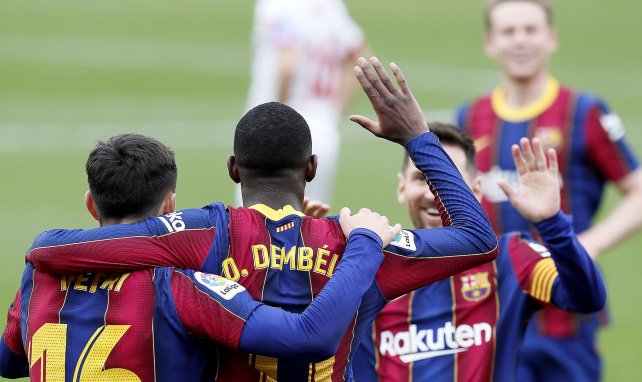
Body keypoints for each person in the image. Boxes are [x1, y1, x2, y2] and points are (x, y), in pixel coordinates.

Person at [23, 58, 499, 381]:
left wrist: (43, 250)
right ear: (312, 169)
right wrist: (416, 136)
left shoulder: (200, 234)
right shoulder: (360, 244)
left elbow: (59, 250)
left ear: (233, 168)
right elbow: (479, 238)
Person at [0, 133, 401, 381]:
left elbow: (11, 361)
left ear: (91, 203)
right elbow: (307, 337)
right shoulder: (181, 288)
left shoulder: (40, 277)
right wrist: (361, 243)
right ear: (171, 207)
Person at [456, 1, 642, 380]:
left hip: (567, 317)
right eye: (509, 32)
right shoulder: (469, 117)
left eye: (530, 29)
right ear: (490, 43)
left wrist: (591, 243)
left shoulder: (583, 112)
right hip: (492, 313)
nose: (520, 40)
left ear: (551, 38)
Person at [351, 123, 606, 381]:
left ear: (474, 191)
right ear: (402, 188)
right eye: (421, 178)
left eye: (447, 179)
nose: (433, 193)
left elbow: (586, 298)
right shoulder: (372, 268)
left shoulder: (511, 258)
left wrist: (552, 224)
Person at [244, 0, 366, 204]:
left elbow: (288, 64)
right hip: (323, 128)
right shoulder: (331, 7)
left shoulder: (277, 6)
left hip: (278, 128)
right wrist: (335, 111)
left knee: (254, 220)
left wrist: (271, 118)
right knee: (310, 220)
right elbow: (359, 57)